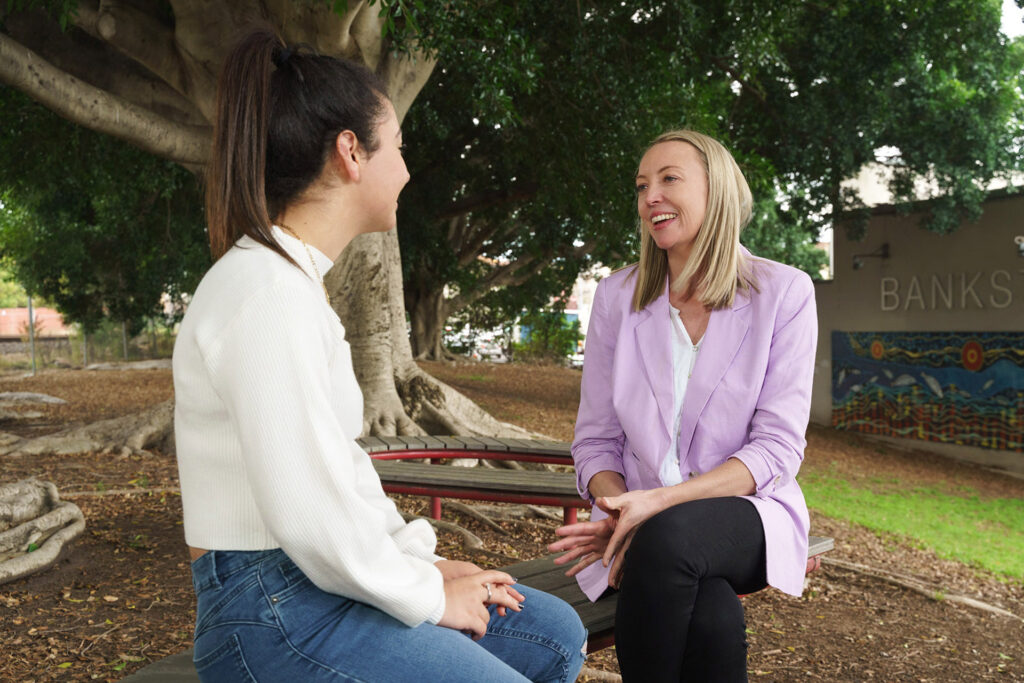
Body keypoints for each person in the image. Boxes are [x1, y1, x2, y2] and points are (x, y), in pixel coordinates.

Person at [172, 29, 586, 683]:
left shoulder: (291, 285)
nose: (408, 169)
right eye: (397, 146)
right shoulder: (263, 292)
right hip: (271, 610)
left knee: (549, 634)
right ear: (350, 154)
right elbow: (307, 509)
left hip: (309, 583)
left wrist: (419, 565)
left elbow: (341, 471)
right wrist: (424, 595)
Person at [548, 130, 817, 682]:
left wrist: (654, 508)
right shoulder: (617, 298)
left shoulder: (783, 292)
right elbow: (595, 440)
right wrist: (623, 507)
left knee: (670, 539)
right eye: (642, 185)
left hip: (747, 511)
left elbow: (777, 449)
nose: (650, 196)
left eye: (670, 179)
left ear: (716, 190)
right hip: (642, 525)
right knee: (711, 615)